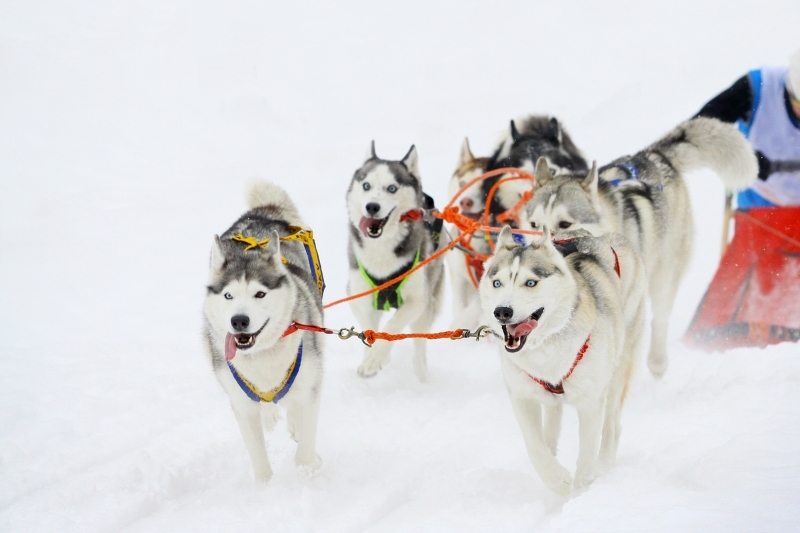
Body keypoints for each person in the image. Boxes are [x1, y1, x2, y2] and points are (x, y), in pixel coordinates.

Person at [695, 49, 800, 208]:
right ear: (790, 91)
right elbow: (700, 129)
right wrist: (743, 156)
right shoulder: (758, 87)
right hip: (761, 207)